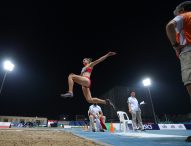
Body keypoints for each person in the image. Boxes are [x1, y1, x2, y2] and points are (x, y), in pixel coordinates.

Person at [166, 1, 191, 103]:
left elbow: (169, 26)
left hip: (188, 52)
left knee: (189, 80)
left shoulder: (184, 15)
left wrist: (176, 46)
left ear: (182, 10)